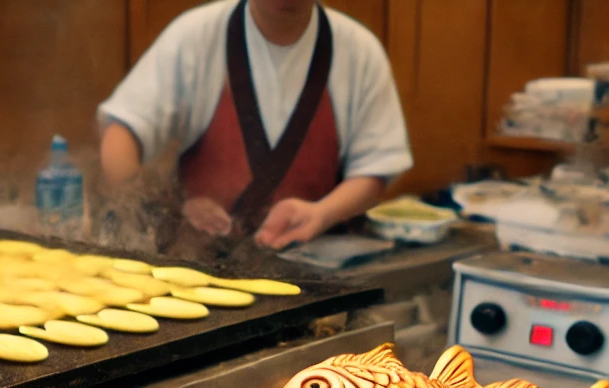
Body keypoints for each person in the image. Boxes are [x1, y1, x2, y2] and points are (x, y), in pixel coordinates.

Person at [98, 0, 412, 249]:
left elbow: (374, 170)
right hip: (196, 263)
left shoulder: (359, 51)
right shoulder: (196, 36)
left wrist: (321, 213)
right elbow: (120, 136)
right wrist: (168, 211)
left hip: (317, 270)